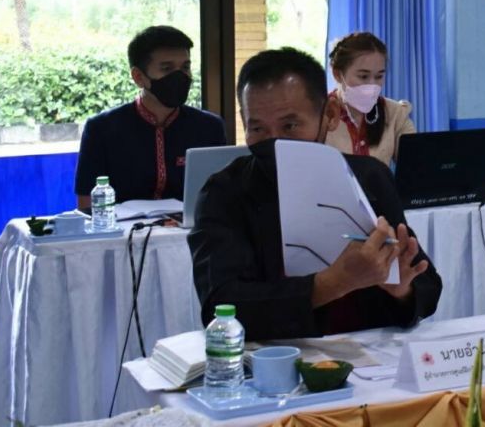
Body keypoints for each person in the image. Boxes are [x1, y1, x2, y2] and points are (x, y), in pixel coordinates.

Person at [188, 47, 441, 340]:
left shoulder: (370, 177)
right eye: (257, 128)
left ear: (329, 115)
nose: (274, 141)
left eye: (290, 126)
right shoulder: (224, 192)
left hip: (369, 351)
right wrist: (333, 283)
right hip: (276, 357)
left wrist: (402, 290)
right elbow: (222, 306)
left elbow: (425, 284)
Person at [74, 26, 226, 210]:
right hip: (123, 228)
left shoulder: (209, 127)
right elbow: (87, 206)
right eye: (167, 68)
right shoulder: (102, 129)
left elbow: (222, 198)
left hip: (190, 228)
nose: (180, 76)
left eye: (185, 67)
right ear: (139, 77)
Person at [325, 32, 416, 166]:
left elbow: (416, 165)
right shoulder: (321, 115)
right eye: (363, 76)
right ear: (338, 74)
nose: (372, 85)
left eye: (379, 77)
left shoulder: (395, 114)